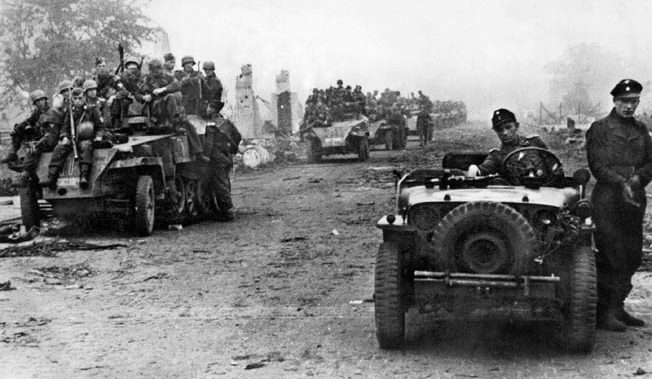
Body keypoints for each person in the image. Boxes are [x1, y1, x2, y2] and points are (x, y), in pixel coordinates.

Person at [586, 79, 652, 331]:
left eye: (634, 101)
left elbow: (650, 163)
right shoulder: (600, 128)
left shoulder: (641, 130)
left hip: (634, 198)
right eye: (625, 101)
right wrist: (620, 182)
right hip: (607, 199)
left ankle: (618, 306)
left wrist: (637, 179)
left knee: (632, 253)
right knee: (610, 253)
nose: (629, 106)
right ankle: (603, 311)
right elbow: (597, 165)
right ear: (614, 101)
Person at [45, 87, 104, 190]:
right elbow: (65, 126)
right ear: (72, 99)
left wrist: (98, 137)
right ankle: (52, 177)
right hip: (72, 139)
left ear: (84, 98)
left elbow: (100, 126)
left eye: (80, 98)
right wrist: (64, 136)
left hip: (88, 139)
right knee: (59, 148)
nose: (77, 101)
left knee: (85, 146)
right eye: (75, 98)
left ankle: (84, 176)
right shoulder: (70, 111)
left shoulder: (92, 109)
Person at [467, 108, 547, 176]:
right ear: (496, 132)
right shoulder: (497, 156)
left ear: (516, 126)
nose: (505, 133)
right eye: (500, 130)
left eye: (508, 127)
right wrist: (475, 169)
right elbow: (485, 167)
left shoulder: (535, 143)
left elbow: (554, 165)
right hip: (517, 193)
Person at [2, 89, 56, 188]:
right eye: (37, 101)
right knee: (19, 129)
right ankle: (12, 153)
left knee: (33, 149)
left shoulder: (52, 112)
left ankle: (25, 176)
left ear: (45, 100)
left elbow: (51, 134)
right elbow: (28, 121)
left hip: (49, 140)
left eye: (41, 100)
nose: (40, 103)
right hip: (40, 137)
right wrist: (17, 129)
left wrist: (37, 142)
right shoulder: (37, 113)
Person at [203, 102, 242, 221]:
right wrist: (232, 149)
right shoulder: (226, 122)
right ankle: (226, 209)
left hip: (217, 156)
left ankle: (227, 212)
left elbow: (209, 143)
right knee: (225, 181)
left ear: (213, 110)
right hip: (226, 156)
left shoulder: (211, 124)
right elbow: (238, 136)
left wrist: (206, 156)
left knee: (220, 183)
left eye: (209, 107)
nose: (207, 109)